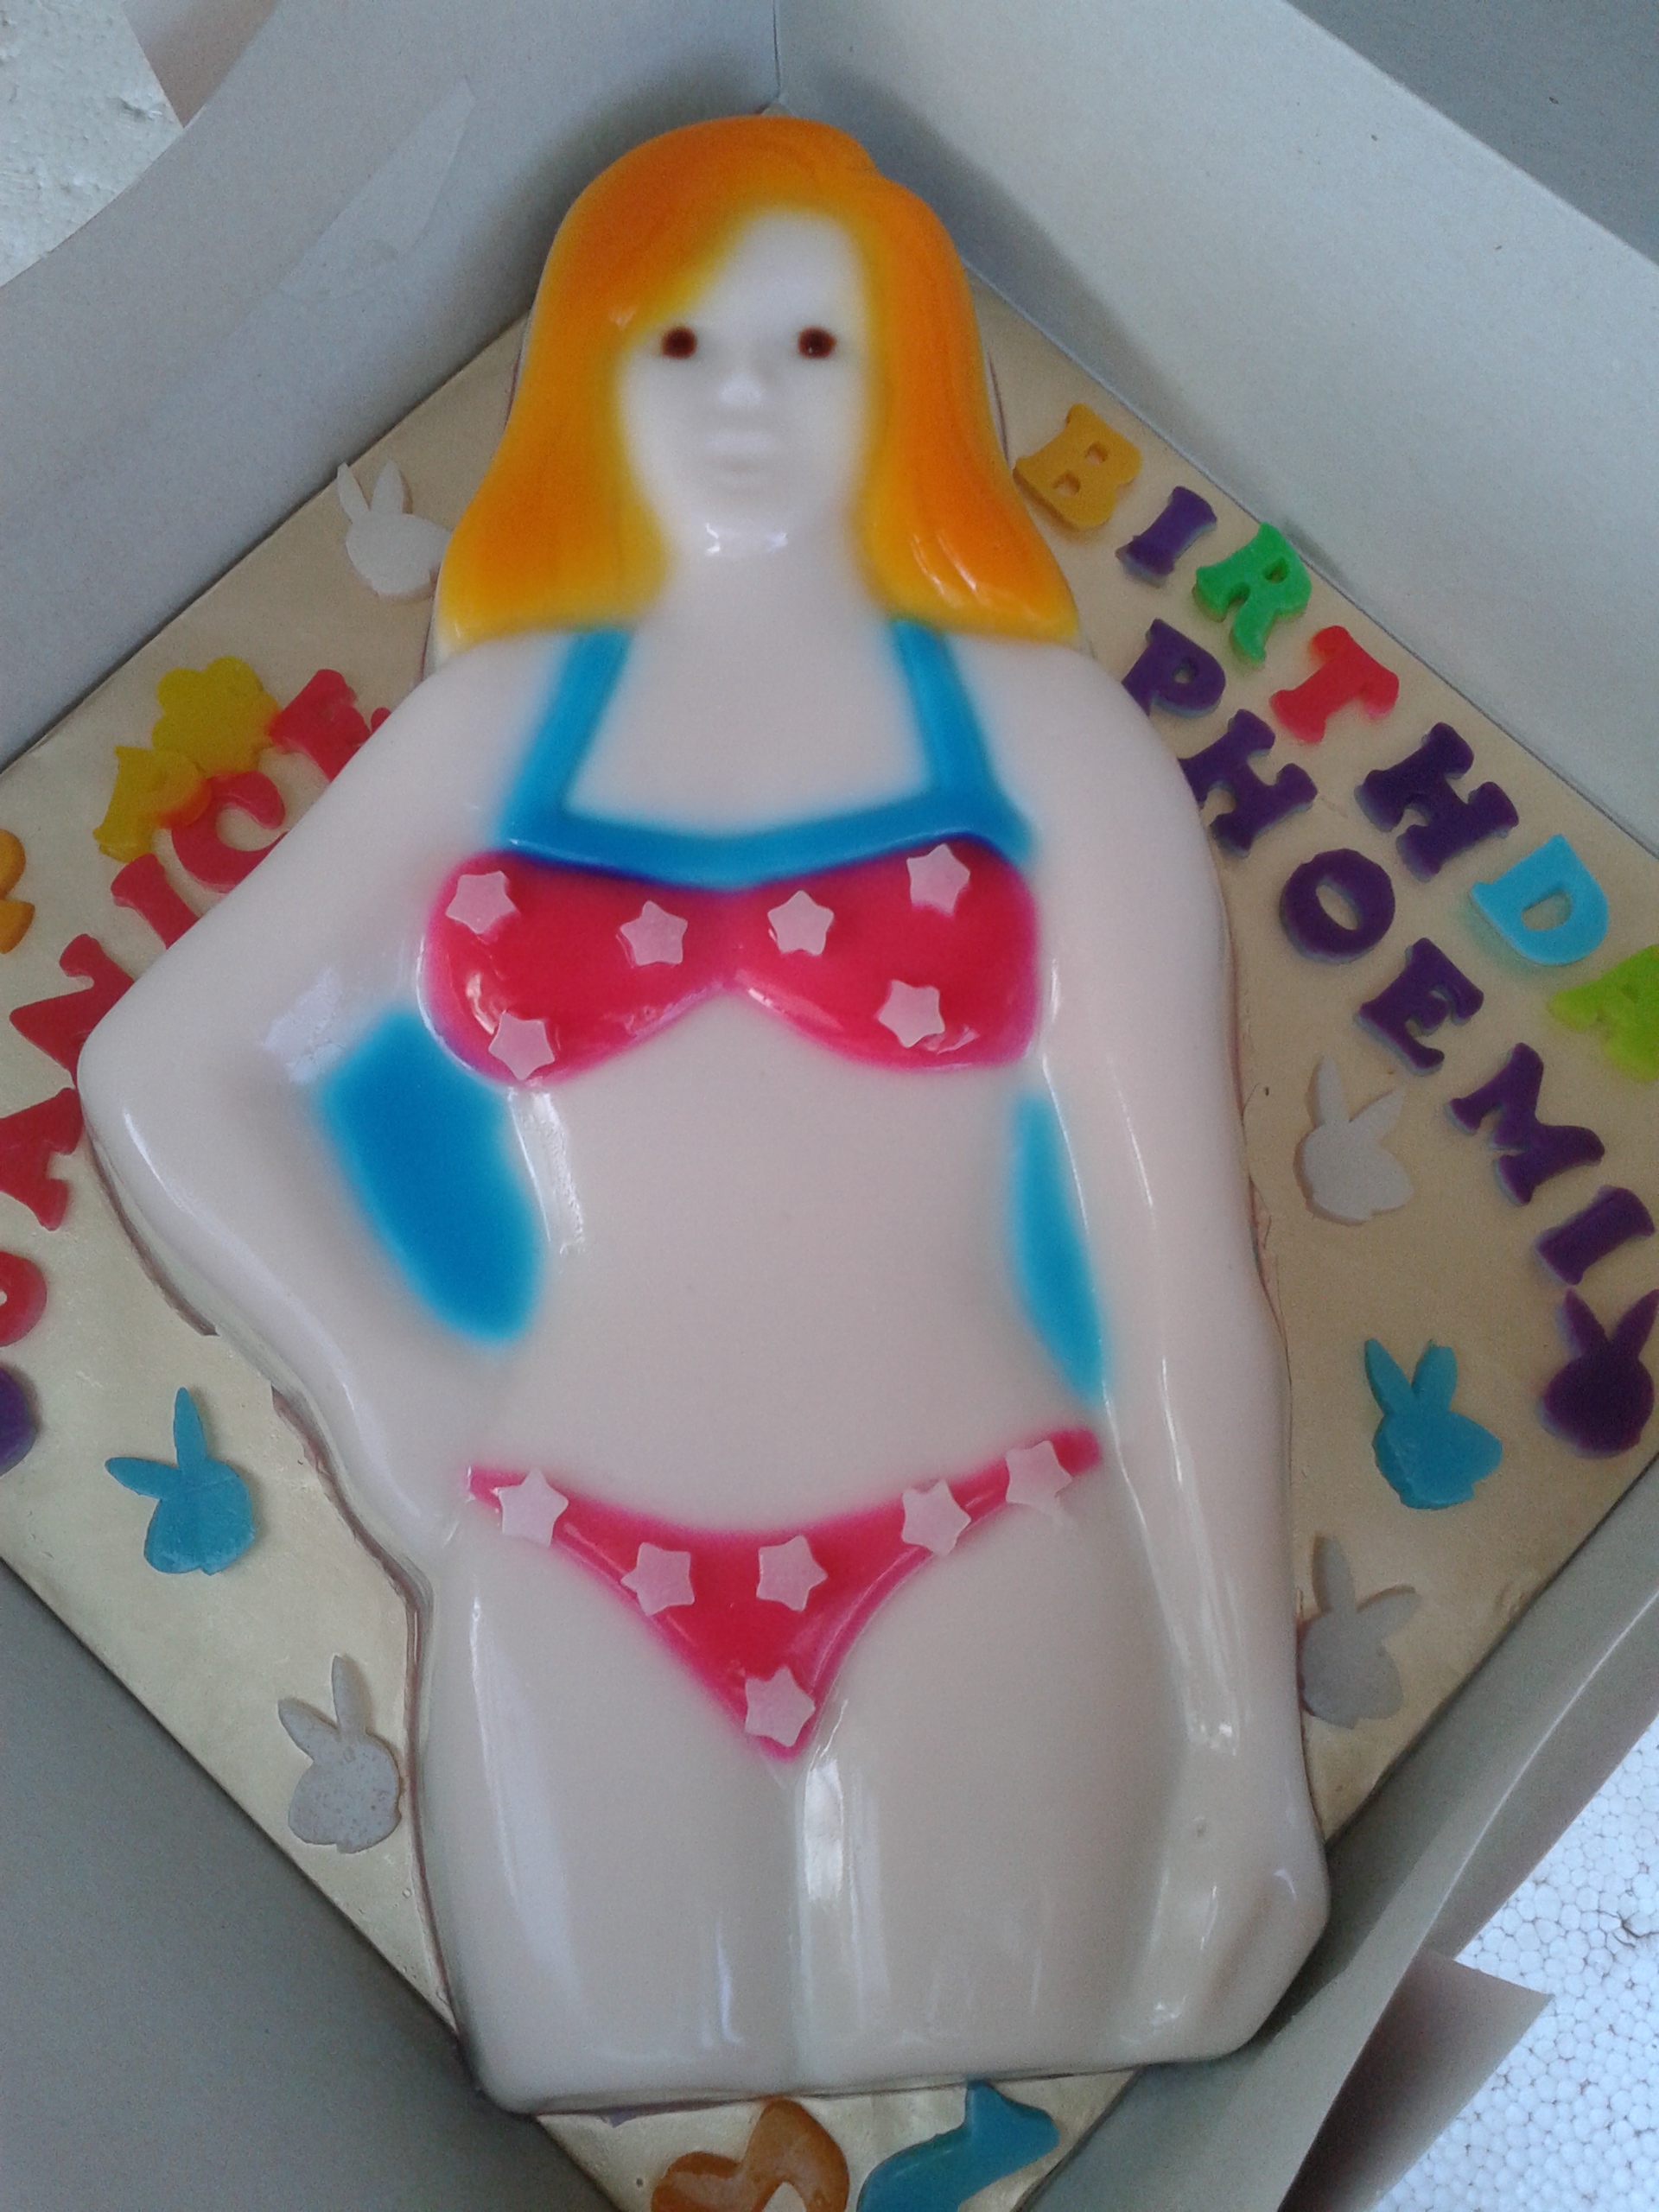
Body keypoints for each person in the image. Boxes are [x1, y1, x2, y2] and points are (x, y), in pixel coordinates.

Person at [82, 116, 1326, 2109]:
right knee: (616, 2047)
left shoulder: (1049, 741)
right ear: (594, 376)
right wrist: (386, 1386)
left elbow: (1175, 1260)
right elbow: (167, 1068)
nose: (745, 397)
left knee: (995, 2037)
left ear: (916, 384)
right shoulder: (494, 724)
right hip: (566, 1563)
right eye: (682, 343)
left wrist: (1248, 1740)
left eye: (814, 346)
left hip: (984, 1534)